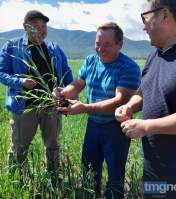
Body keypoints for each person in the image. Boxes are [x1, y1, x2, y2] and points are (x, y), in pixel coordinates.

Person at [115, 0, 176, 198]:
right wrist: (130, 106)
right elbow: (146, 90)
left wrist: (146, 127)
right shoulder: (156, 54)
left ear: (164, 15)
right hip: (154, 165)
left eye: (145, 18)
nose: (143, 26)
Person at [53, 22, 141, 198]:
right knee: (89, 167)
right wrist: (64, 92)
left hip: (116, 126)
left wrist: (85, 108)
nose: (100, 49)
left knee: (115, 172)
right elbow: (78, 84)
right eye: (98, 43)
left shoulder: (129, 67)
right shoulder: (90, 60)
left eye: (106, 45)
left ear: (120, 45)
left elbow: (120, 100)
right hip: (93, 124)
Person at [0, 10, 74, 174]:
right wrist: (20, 82)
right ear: (25, 27)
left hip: (52, 105)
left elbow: (67, 73)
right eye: (35, 26)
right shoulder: (13, 46)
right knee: (19, 146)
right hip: (25, 106)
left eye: (43, 26)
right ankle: (16, 179)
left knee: (53, 145)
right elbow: (1, 72)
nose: (40, 30)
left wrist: (68, 93)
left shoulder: (54, 48)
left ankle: (53, 177)